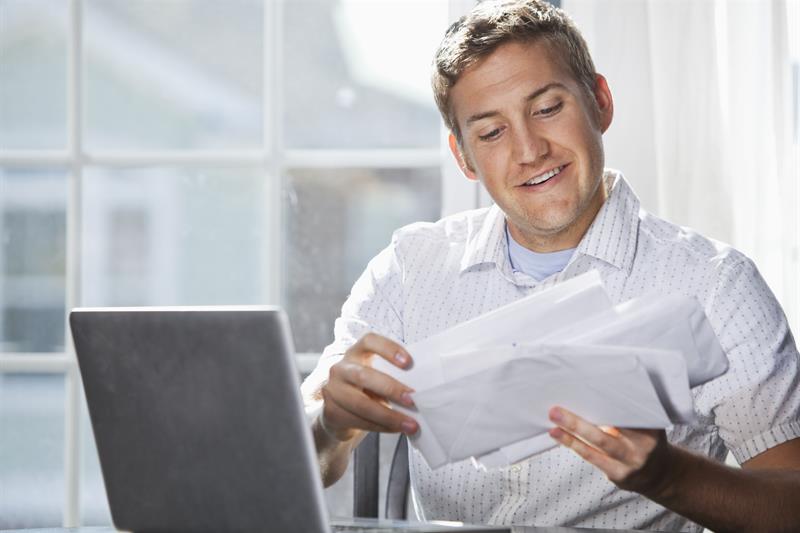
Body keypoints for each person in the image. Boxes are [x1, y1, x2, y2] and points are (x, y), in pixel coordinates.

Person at [301, 1, 800, 530]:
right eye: (491, 133)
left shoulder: (717, 284)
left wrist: (667, 475)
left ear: (600, 102)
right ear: (464, 157)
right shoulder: (409, 270)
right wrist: (332, 425)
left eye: (547, 109)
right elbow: (302, 458)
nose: (530, 150)